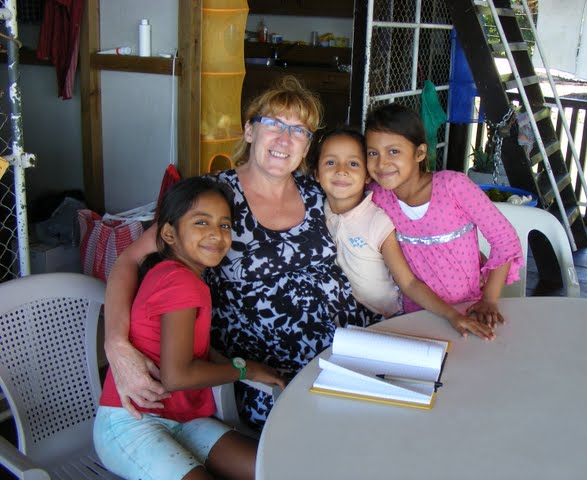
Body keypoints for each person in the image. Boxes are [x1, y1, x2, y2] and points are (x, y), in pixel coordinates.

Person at [104, 76, 377, 431]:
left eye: (298, 131)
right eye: (274, 124)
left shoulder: (318, 191)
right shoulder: (214, 196)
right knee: (336, 436)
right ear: (250, 131)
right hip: (272, 369)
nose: (284, 139)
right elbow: (129, 260)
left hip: (350, 344)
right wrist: (116, 345)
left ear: (307, 146)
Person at [94, 176, 285, 480]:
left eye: (224, 225)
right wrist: (245, 369)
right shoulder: (179, 281)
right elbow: (178, 376)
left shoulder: (180, 276)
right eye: (201, 222)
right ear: (169, 233)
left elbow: (194, 351)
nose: (216, 234)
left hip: (182, 418)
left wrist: (244, 367)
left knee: (273, 470)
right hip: (132, 423)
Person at [310, 126, 495, 339]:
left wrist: (452, 315)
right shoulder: (315, 209)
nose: (341, 171)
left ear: (367, 176)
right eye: (330, 162)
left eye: (353, 164)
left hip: (388, 318)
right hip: (343, 313)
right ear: (316, 173)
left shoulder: (377, 221)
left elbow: (408, 283)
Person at [364, 103, 524, 326]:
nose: (381, 163)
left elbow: (504, 239)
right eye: (372, 153)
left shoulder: (453, 186)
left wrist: (489, 300)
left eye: (394, 151)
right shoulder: (377, 197)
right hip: (415, 316)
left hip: (469, 309)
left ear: (419, 153)